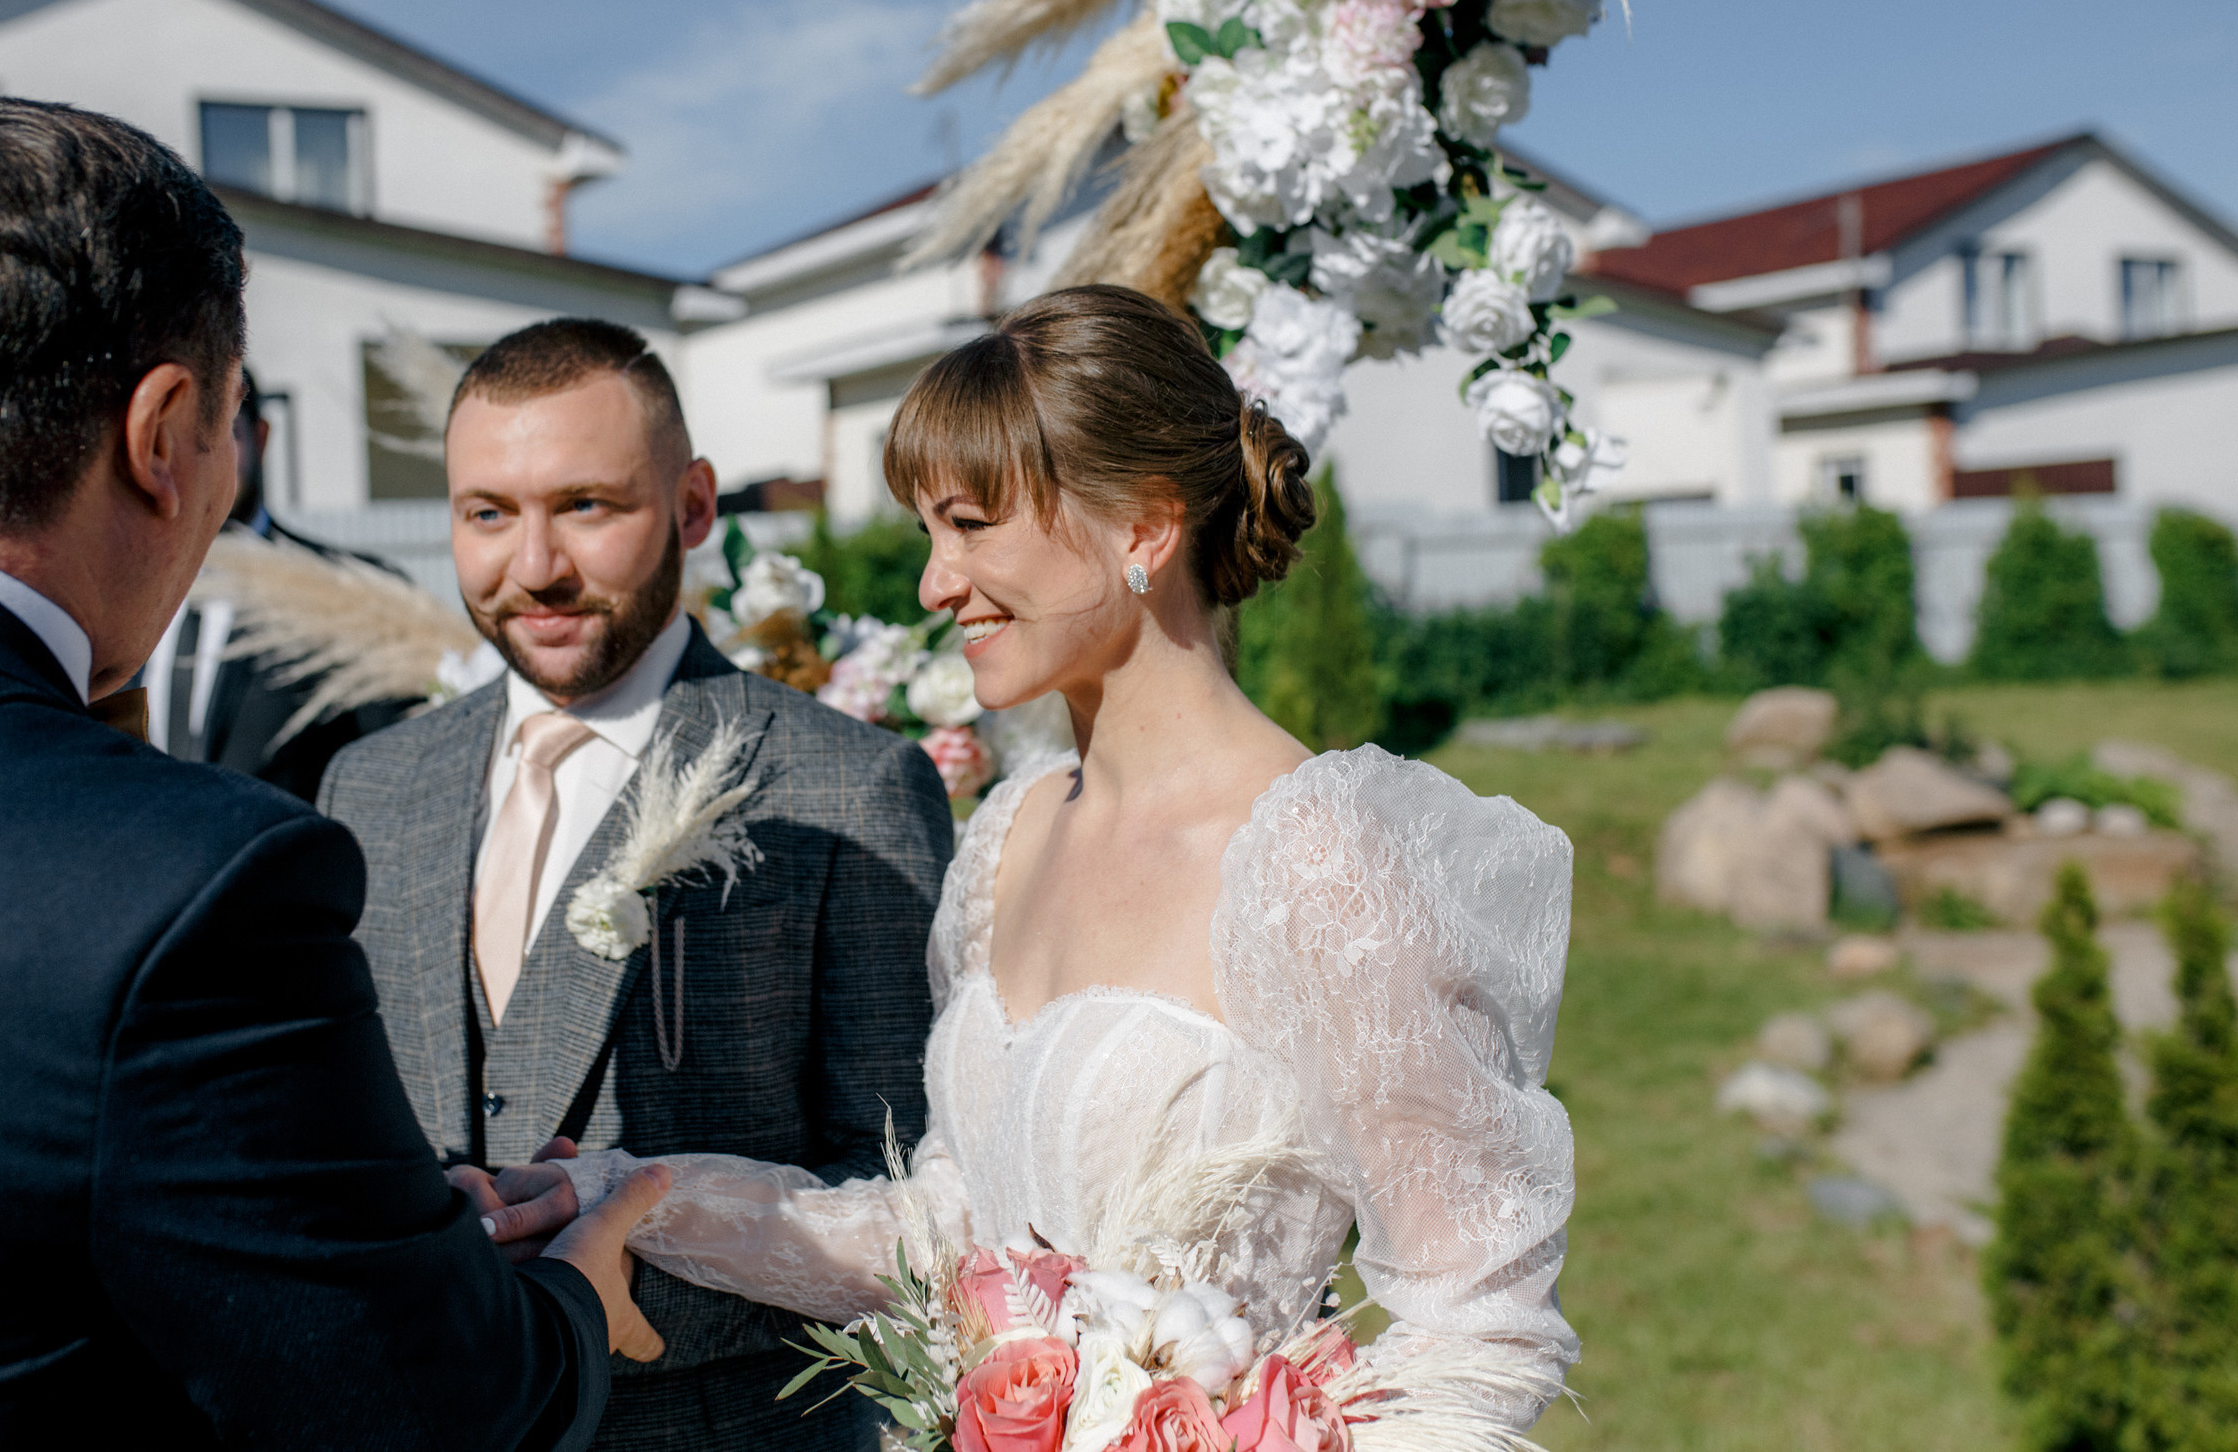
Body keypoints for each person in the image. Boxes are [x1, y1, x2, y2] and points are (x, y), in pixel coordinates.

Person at [0, 96, 664, 1449]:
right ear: (164, 430)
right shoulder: (179, 884)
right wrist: (568, 1297)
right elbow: (431, 1410)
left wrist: (344, 1213)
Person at [494, 285, 1583, 1436]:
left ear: (1144, 528)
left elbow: (1480, 1322)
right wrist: (627, 1196)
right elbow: (948, 1231)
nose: (934, 582)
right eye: (929, 533)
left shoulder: (1322, 859)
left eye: (970, 524)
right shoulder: (1006, 835)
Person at [318, 317, 951, 1452]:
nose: (535, 567)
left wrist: (621, 1294)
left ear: (693, 506)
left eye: (586, 506)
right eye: (487, 514)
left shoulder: (848, 788)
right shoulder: (370, 785)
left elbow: (907, 1192)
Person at [141, 365, 418, 800]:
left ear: (261, 437)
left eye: (218, 432)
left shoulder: (349, 594)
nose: (196, 459)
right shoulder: (117, 597)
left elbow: (396, 784)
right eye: (173, 437)